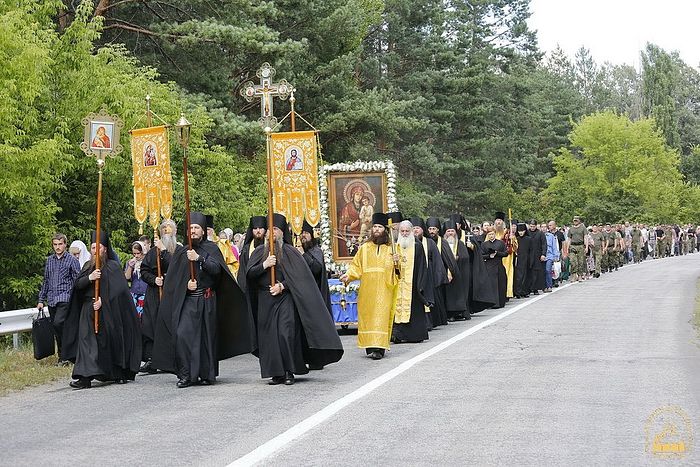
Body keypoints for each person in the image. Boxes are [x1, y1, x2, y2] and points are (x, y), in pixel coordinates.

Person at [152, 212, 255, 388]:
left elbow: (217, 270)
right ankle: (186, 375)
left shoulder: (211, 248)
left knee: (205, 339)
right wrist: (186, 286)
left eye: (196, 228)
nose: (193, 231)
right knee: (183, 335)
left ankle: (206, 374)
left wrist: (199, 259)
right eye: (191, 228)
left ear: (203, 231)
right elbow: (174, 281)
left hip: (206, 300)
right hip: (187, 301)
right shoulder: (181, 252)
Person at [247, 214, 343, 384]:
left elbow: (300, 278)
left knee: (286, 333)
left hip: (285, 299)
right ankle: (276, 373)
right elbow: (249, 275)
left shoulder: (290, 252)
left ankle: (289, 371)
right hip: (265, 299)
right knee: (269, 337)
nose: (271, 233)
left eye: (275, 229)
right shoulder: (258, 253)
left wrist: (282, 286)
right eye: (270, 230)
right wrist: (265, 265)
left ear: (282, 232)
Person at [59, 231, 141, 389]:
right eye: (93, 247)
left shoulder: (113, 266)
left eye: (99, 247)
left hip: (108, 311)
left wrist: (104, 299)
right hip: (88, 309)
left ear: (105, 249)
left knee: (109, 341)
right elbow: (77, 286)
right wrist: (90, 278)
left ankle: (116, 372)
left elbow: (120, 290)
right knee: (86, 341)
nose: (96, 250)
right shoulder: (87, 266)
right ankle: (85, 377)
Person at [340, 212, 398, 360]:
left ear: (385, 229)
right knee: (368, 317)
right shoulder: (364, 248)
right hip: (367, 289)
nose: (377, 229)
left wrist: (398, 262)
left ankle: (379, 349)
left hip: (385, 289)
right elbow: (356, 266)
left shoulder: (392, 249)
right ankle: (370, 347)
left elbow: (399, 271)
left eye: (380, 227)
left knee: (381, 317)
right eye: (375, 227)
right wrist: (348, 276)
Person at [139, 218, 177, 374]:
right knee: (150, 325)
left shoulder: (178, 249)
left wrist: (165, 252)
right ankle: (151, 359)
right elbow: (144, 270)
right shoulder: (153, 251)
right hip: (154, 293)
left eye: (169, 229)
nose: (166, 232)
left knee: (170, 325)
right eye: (164, 230)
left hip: (172, 293)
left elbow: (177, 268)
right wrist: (154, 279)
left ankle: (171, 359)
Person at [37, 233, 81, 363]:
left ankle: (67, 355)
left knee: (59, 323)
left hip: (65, 298)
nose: (58, 247)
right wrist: (41, 300)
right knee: (56, 328)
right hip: (51, 298)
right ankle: (63, 356)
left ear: (65, 245)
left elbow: (77, 281)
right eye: (55, 244)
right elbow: (46, 281)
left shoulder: (72, 260)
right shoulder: (49, 260)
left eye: (60, 244)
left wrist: (77, 299)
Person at [391, 220, 430, 343]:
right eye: (402, 231)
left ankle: (414, 335)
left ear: (412, 231)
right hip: (398, 284)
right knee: (397, 308)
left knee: (413, 309)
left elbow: (423, 267)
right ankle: (397, 335)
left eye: (407, 231)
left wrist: (420, 284)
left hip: (413, 285)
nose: (404, 233)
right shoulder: (394, 247)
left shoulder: (417, 246)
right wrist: (394, 262)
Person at [413, 217, 448, 328]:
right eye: (413, 228)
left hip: (428, 274)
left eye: (417, 228)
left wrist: (438, 277)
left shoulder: (429, 243)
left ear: (423, 229)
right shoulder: (407, 242)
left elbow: (437, 260)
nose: (415, 230)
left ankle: (428, 323)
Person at [298, 220, 332, 316]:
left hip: (315, 292)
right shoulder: (299, 250)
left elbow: (317, 269)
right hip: (303, 291)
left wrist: (304, 255)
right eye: (302, 233)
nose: (303, 235)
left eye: (306, 233)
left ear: (312, 235)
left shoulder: (316, 251)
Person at [442, 219, 471, 320]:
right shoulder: (442, 243)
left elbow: (466, 257)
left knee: (458, 294)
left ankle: (459, 313)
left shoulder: (460, 244)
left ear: (455, 232)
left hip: (459, 273)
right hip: (446, 273)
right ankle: (449, 314)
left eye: (452, 231)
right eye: (448, 231)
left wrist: (458, 258)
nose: (450, 233)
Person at [480, 231, 508, 307]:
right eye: (489, 234)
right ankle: (491, 303)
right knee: (491, 285)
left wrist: (497, 253)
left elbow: (506, 253)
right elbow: (481, 256)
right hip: (489, 266)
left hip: (499, 265)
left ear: (495, 234)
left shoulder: (501, 243)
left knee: (500, 285)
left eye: (492, 234)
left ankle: (500, 302)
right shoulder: (484, 244)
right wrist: (489, 256)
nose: (491, 236)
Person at [124, 241, 148, 317]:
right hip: (134, 292)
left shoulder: (147, 262)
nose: (136, 256)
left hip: (145, 292)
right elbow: (127, 277)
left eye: (138, 253)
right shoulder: (130, 262)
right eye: (134, 254)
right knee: (134, 315)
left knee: (144, 315)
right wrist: (130, 266)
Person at [527, 220, 547, 295]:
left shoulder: (540, 233)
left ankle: (536, 288)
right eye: (531, 226)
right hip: (528, 255)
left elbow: (544, 244)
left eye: (533, 226)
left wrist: (543, 254)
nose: (532, 228)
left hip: (537, 255)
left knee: (536, 272)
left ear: (536, 226)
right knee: (529, 272)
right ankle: (528, 288)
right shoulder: (527, 232)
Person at [567, 216, 587, 282]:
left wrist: (586, 247)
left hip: (580, 245)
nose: (575, 221)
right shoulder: (571, 229)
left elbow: (585, 237)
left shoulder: (583, 228)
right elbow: (569, 239)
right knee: (573, 261)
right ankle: (574, 275)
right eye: (574, 220)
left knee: (580, 261)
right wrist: (567, 248)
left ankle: (580, 275)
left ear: (579, 221)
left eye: (576, 220)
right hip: (573, 246)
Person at [514, 223, 531, 298]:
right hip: (518, 259)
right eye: (519, 231)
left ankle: (525, 291)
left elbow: (531, 250)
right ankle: (517, 292)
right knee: (518, 276)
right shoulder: (515, 239)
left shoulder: (529, 239)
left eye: (522, 231)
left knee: (526, 275)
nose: (521, 232)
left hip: (526, 258)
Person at [544, 224, 560, 292]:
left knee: (548, 270)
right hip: (542, 256)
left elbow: (554, 247)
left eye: (545, 227)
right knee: (542, 271)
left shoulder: (551, 236)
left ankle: (549, 286)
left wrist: (556, 256)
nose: (543, 228)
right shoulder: (539, 235)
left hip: (549, 255)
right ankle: (544, 286)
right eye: (542, 227)